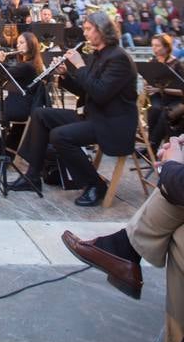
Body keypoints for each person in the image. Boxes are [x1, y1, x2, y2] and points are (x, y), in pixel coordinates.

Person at [62, 134, 184, 342]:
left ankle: (124, 245)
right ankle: (124, 246)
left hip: (115, 127)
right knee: (49, 124)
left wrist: (172, 165)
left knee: (61, 136)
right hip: (102, 122)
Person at [9, 11, 138, 206]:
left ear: (102, 30)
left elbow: (100, 93)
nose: (84, 33)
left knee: (60, 136)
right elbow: (86, 91)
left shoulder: (118, 58)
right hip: (95, 115)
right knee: (40, 114)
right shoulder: (99, 56)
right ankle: (32, 176)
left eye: (88, 29)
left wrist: (79, 66)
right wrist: (65, 75)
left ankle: (95, 185)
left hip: (112, 123)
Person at [0, 31, 44, 163]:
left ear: (31, 45)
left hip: (21, 107)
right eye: (18, 43)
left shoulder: (28, 66)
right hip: (13, 102)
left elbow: (6, 74)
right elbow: (12, 71)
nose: (18, 45)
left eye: (22, 42)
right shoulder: (25, 64)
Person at [146, 33, 184, 154]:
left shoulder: (177, 64)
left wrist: (160, 89)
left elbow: (182, 91)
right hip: (158, 98)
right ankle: (151, 146)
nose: (154, 48)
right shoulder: (153, 62)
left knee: (165, 113)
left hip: (176, 100)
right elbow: (150, 83)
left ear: (167, 47)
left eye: (157, 46)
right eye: (153, 45)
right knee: (154, 109)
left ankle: (152, 147)